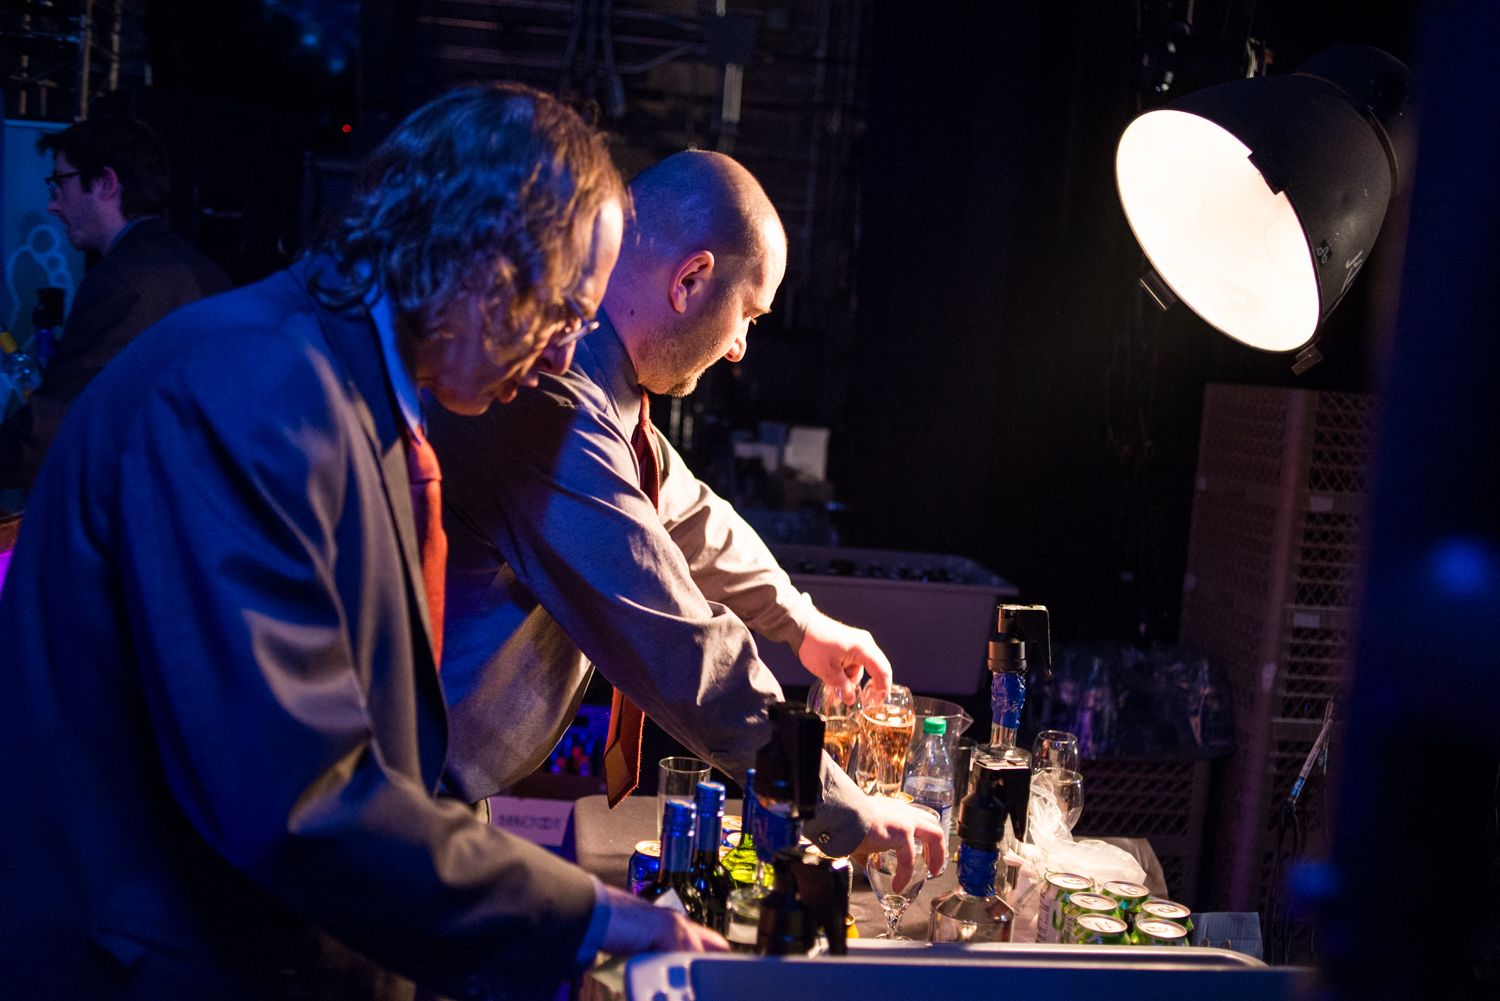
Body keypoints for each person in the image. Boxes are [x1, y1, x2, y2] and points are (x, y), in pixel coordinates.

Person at [0, 85, 723, 1001]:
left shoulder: (342, 382)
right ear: (479, 259)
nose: (562, 356)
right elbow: (302, 799)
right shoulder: (251, 392)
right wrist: (589, 915)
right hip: (160, 962)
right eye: (565, 313)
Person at [428, 150, 945, 887]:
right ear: (691, 278)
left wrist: (802, 624)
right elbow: (681, 649)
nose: (739, 348)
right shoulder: (556, 401)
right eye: (747, 315)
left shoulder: (611, 401)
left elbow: (692, 511)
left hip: (436, 793)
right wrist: (843, 808)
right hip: (389, 796)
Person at [0, 116, 232, 490]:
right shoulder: (206, 271)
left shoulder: (123, 281)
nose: (52, 206)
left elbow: (48, 437)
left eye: (60, 183)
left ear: (106, 184)